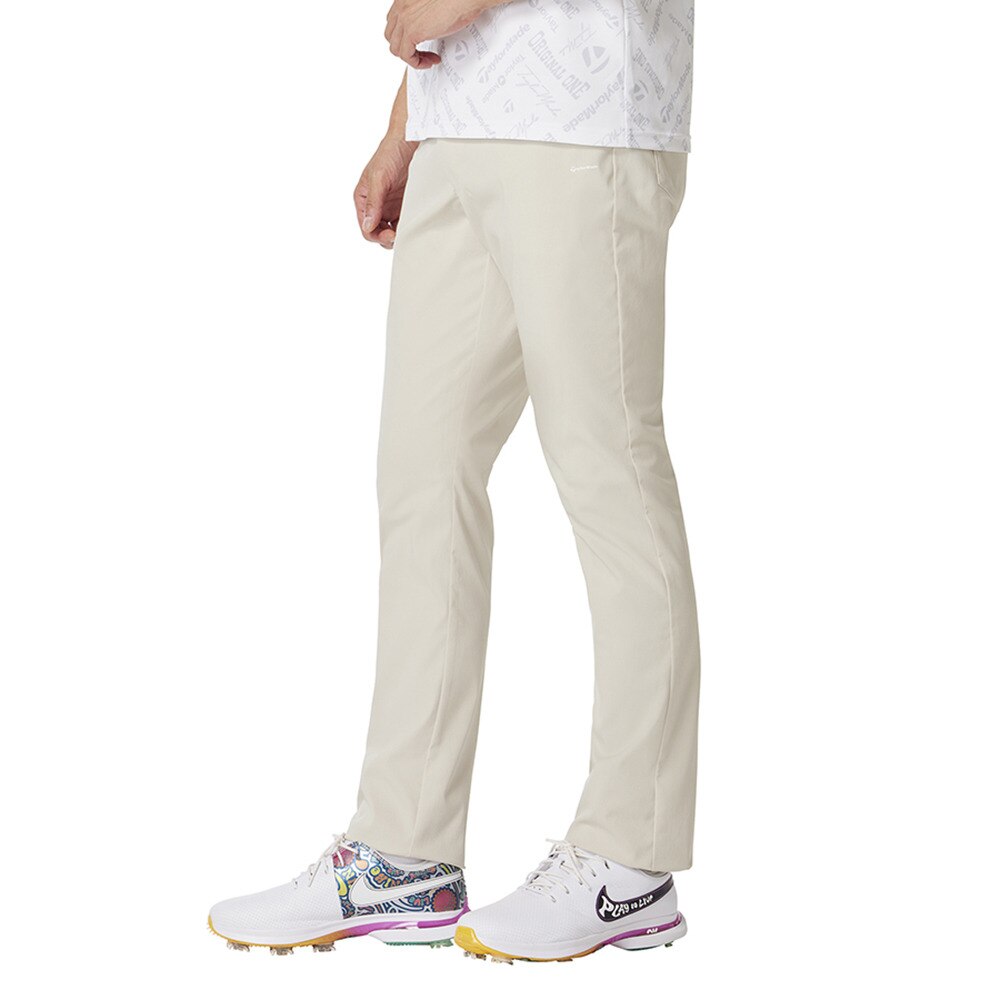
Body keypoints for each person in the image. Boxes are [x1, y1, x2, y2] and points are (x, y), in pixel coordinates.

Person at [208, 0, 700, 963]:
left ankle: (631, 858)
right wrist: (406, 124)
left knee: (610, 470)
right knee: (420, 474)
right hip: (460, 123)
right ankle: (404, 851)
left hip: (588, 119)